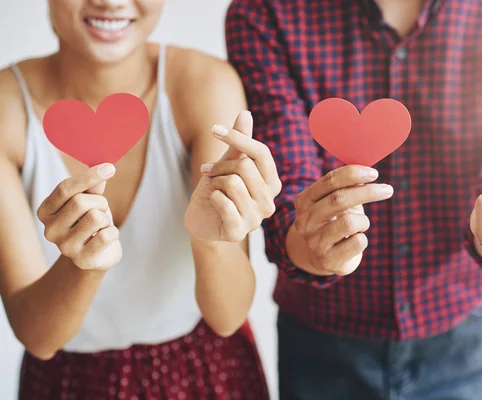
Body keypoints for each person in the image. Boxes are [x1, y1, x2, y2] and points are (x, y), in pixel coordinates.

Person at [224, 0, 482, 398]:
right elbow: (283, 200)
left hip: (469, 342)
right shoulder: (264, 12)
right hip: (322, 350)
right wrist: (315, 246)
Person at [0, 1, 279, 399]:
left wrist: (209, 240)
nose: (111, 2)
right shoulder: (5, 107)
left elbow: (228, 316)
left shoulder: (205, 85)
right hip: (66, 382)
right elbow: (37, 337)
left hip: (205, 370)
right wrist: (84, 264)